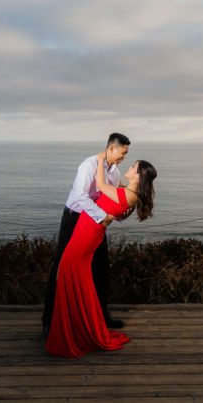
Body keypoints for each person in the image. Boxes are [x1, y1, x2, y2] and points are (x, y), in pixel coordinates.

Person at [45, 150, 157, 358]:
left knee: (68, 274)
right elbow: (109, 199)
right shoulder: (127, 191)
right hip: (86, 230)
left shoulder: (128, 194)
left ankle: (74, 330)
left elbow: (100, 186)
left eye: (133, 167)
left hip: (87, 235)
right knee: (76, 278)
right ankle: (77, 326)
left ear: (139, 175)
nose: (129, 167)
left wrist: (98, 161)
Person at [42, 133, 130, 340]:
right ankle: (48, 322)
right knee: (60, 267)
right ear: (111, 149)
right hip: (74, 220)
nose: (124, 157)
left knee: (100, 268)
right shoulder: (88, 165)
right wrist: (104, 218)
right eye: (123, 153)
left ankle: (102, 316)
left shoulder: (115, 174)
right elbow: (81, 196)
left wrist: (118, 216)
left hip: (94, 223)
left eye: (127, 154)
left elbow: (108, 201)